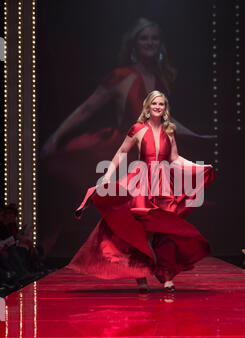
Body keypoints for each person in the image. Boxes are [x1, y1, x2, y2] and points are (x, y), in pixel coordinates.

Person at [40, 18, 215, 258]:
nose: (150, 42)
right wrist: (56, 137)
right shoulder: (122, 76)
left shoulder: (162, 79)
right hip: (123, 152)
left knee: (155, 214)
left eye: (154, 37)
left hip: (152, 159)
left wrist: (195, 137)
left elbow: (166, 122)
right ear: (133, 44)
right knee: (123, 213)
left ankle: (149, 261)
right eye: (144, 37)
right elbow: (87, 109)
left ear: (160, 43)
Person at [68, 90, 215, 293]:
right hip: (142, 180)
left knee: (164, 229)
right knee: (140, 230)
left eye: (161, 104)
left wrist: (198, 167)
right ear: (147, 106)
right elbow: (121, 152)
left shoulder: (169, 130)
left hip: (163, 183)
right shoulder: (137, 129)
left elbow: (174, 158)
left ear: (165, 108)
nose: (158, 107)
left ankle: (166, 276)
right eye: (154, 103)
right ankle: (141, 276)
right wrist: (107, 176)